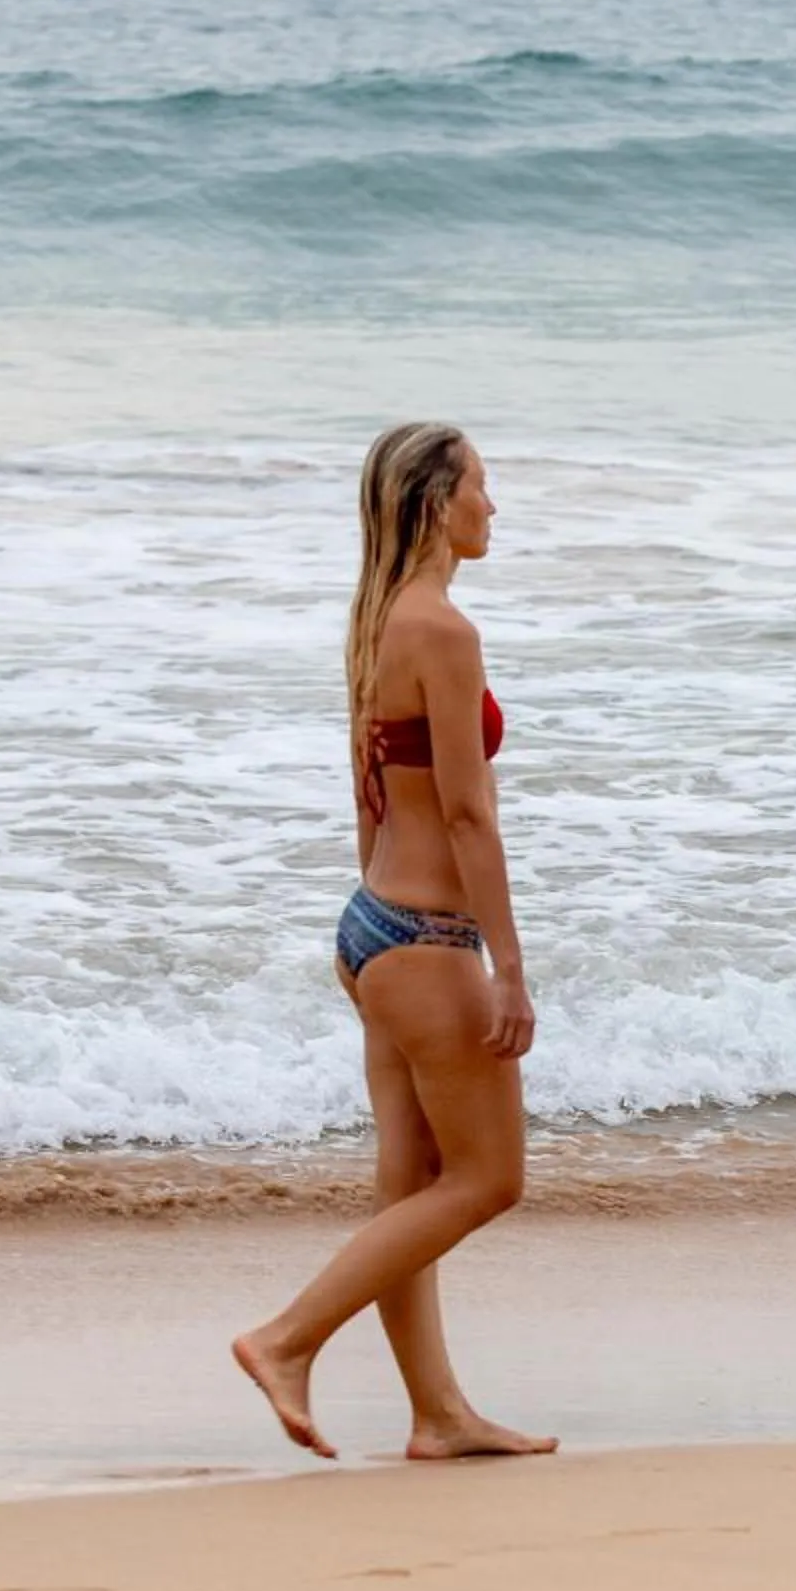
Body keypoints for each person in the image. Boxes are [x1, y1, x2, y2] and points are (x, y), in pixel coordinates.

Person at [231, 423, 554, 1462]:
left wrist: (378, 945)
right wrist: (504, 963)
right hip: (423, 935)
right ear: (434, 503)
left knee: (410, 1185)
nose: (493, 508)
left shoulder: (376, 620)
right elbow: (469, 815)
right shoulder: (445, 632)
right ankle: (287, 1339)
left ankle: (437, 1413)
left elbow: (367, 794)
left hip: (372, 926)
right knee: (488, 1179)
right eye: (481, 487)